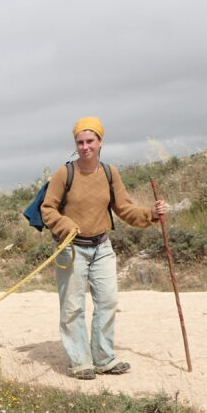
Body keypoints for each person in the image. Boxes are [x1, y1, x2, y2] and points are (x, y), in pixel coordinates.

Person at [40, 116, 166, 380]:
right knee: (73, 307)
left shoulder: (110, 173)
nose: (85, 147)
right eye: (80, 142)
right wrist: (66, 225)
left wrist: (151, 214)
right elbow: (48, 209)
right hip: (71, 248)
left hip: (102, 247)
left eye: (90, 141)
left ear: (100, 142)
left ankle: (104, 359)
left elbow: (124, 208)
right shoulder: (65, 173)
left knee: (107, 302)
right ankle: (81, 362)